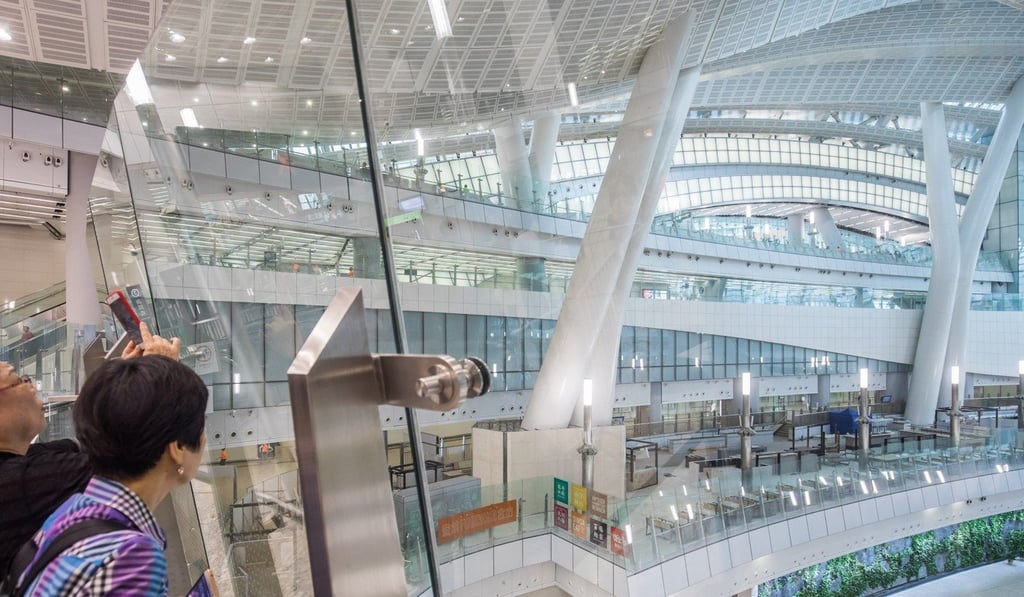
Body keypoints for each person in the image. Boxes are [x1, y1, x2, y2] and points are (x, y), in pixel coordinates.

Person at [14, 328, 208, 595]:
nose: (205, 439)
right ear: (176, 448)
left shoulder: (73, 514)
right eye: (200, 427)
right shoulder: (131, 556)